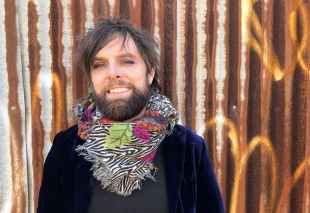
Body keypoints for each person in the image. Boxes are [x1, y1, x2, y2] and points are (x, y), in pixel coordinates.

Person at [37, 17, 224, 213]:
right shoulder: (66, 149)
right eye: (99, 65)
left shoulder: (188, 149)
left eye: (126, 61)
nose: (113, 73)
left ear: (150, 73)